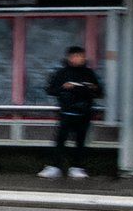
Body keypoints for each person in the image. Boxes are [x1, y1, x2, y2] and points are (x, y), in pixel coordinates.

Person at [43, 46, 104, 179]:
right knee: (60, 140)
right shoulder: (62, 73)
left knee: (80, 141)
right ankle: (55, 167)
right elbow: (50, 90)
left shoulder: (89, 73)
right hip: (66, 112)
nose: (79, 59)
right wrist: (64, 87)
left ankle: (77, 167)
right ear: (70, 57)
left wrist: (92, 88)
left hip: (84, 113)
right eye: (76, 56)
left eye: (81, 56)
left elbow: (100, 92)